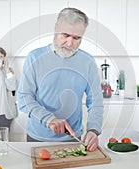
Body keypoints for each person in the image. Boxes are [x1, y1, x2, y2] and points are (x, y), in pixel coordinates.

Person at [17, 8, 103, 151]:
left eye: (76, 38)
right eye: (65, 35)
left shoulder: (87, 62)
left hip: (73, 138)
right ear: (56, 29)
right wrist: (49, 119)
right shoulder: (34, 58)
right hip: (37, 138)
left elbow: (95, 101)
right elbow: (24, 97)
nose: (69, 43)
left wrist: (94, 130)